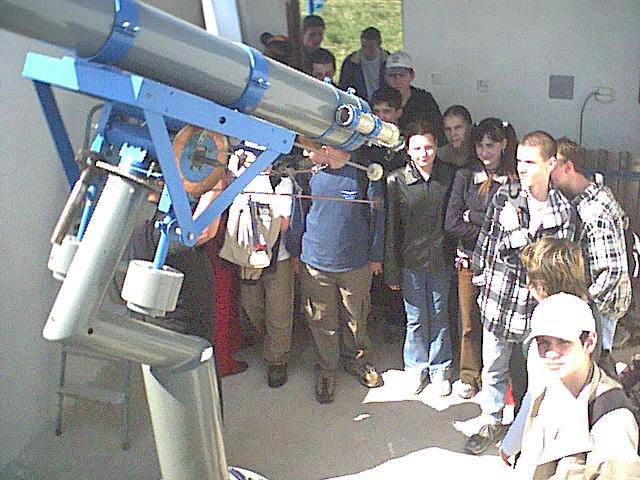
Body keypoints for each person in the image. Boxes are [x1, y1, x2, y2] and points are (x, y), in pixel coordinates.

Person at [465, 131, 578, 454]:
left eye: (530, 162)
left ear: (550, 164)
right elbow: (488, 243)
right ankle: (491, 420)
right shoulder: (506, 197)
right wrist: (480, 279)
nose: (522, 168)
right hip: (500, 301)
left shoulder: (562, 211)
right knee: (494, 367)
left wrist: (515, 231)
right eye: (519, 161)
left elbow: (541, 267)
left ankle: (525, 430)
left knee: (536, 375)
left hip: (536, 311)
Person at [288, 139, 385, 404]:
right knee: (321, 320)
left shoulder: (365, 174)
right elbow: (298, 214)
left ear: (326, 149)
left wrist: (376, 255)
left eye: (309, 149)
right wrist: (295, 251)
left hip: (355, 263)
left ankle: (358, 361)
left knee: (356, 317)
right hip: (316, 262)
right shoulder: (307, 175)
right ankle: (326, 370)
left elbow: (378, 217)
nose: (305, 154)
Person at [506, 293, 639, 479]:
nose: (551, 354)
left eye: (563, 342)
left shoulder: (613, 423)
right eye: (544, 343)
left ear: (589, 342)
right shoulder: (549, 384)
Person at [445, 118, 518, 399]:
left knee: (498, 324)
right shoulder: (465, 175)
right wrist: (488, 226)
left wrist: (473, 216)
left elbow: (512, 224)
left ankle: (497, 378)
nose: (484, 152)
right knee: (468, 322)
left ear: (503, 145)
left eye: (491, 145)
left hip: (501, 265)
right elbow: (452, 223)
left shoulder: (513, 179)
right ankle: (468, 374)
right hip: (469, 261)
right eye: (480, 145)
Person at [385, 120, 457, 396]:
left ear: (436, 147)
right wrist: (392, 268)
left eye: (428, 147)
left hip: (441, 259)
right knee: (415, 318)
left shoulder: (449, 176)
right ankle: (416, 367)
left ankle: (440, 368)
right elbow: (392, 227)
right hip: (410, 261)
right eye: (417, 148)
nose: (423, 153)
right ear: (407, 149)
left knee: (439, 314)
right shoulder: (396, 180)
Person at [551, 137, 631, 367]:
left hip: (601, 306)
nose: (548, 172)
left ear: (568, 167)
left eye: (553, 166)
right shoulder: (597, 192)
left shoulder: (593, 211)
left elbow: (611, 271)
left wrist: (584, 303)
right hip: (600, 303)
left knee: (592, 367)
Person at [384, 51, 445, 145]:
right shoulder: (380, 99)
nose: (397, 80)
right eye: (392, 76)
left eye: (402, 75)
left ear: (412, 76)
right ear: (386, 77)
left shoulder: (424, 100)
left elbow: (439, 132)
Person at [338, 26, 389, 101]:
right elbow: (343, 86)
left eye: (371, 48)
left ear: (379, 45)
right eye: (364, 47)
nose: (367, 51)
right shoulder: (350, 63)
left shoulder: (389, 62)